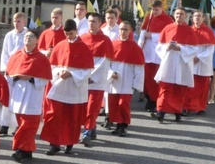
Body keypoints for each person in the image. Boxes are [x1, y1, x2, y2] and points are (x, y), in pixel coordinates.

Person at [41, 19, 94, 155]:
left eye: (71, 33)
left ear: (76, 31)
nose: (68, 36)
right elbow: (52, 66)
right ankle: (54, 144)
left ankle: (69, 144)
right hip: (60, 85)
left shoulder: (84, 48)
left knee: (72, 118)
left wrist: (71, 73)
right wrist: (58, 72)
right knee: (55, 116)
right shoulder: (60, 45)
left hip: (75, 89)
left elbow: (87, 71)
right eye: (66, 34)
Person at [5, 31, 52, 163]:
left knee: (28, 124)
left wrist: (31, 78)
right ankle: (27, 150)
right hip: (19, 94)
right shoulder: (16, 55)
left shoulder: (42, 58)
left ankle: (20, 149)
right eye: (26, 36)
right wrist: (16, 77)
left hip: (32, 95)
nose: (27, 38)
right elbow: (8, 75)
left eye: (31, 36)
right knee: (21, 123)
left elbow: (45, 80)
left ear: (37, 40)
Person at [154, 8, 198, 122]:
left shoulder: (189, 31)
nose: (179, 16)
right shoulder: (167, 28)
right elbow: (159, 46)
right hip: (169, 61)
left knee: (179, 89)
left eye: (181, 14)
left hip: (182, 63)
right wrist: (166, 47)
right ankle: (161, 111)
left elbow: (194, 49)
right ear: (174, 15)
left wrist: (180, 48)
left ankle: (177, 111)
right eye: (177, 14)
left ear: (185, 16)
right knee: (165, 87)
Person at [79, 12, 114, 146]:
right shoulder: (82, 38)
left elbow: (104, 62)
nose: (91, 24)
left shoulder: (105, 41)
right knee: (83, 107)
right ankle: (92, 128)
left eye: (94, 21)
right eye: (89, 21)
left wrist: (91, 76)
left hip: (97, 81)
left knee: (92, 108)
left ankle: (87, 132)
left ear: (100, 23)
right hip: (82, 79)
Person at [107, 22, 145, 136]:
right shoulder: (112, 44)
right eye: (121, 29)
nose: (123, 32)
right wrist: (110, 73)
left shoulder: (135, 47)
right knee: (113, 103)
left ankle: (124, 125)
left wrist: (136, 83)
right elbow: (107, 63)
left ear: (130, 31)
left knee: (123, 103)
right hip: (114, 80)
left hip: (127, 81)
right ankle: (118, 124)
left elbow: (139, 68)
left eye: (125, 29)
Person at [138, 0, 174, 115]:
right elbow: (143, 34)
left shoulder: (167, 20)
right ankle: (149, 98)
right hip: (147, 52)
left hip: (158, 54)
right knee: (147, 79)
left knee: (156, 80)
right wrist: (139, 48)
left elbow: (168, 36)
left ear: (162, 8)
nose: (154, 11)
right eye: (153, 9)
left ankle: (155, 101)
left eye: (156, 9)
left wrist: (152, 36)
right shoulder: (149, 18)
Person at [0, 12, 27, 136]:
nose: (16, 24)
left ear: (24, 22)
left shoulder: (28, 35)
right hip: (10, 70)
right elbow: (5, 53)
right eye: (15, 21)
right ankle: (4, 124)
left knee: (18, 99)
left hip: (21, 71)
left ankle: (17, 125)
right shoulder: (9, 35)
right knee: (7, 97)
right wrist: (6, 68)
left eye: (19, 21)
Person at [185, 11, 215, 113]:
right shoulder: (188, 30)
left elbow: (210, 48)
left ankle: (200, 107)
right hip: (190, 61)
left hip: (203, 63)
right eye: (194, 16)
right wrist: (190, 57)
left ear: (203, 18)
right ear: (191, 18)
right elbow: (185, 46)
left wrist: (199, 57)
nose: (196, 18)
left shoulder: (208, 31)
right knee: (189, 86)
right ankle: (187, 107)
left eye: (199, 16)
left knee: (202, 88)